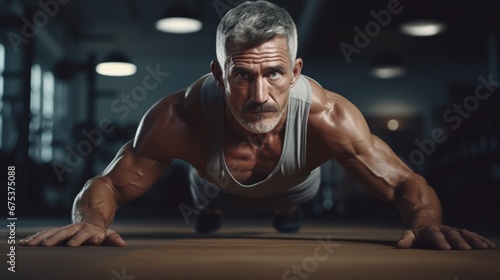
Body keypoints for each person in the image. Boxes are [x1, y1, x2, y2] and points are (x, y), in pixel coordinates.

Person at [20, 1, 495, 250]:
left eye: (273, 73)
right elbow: (108, 184)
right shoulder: (178, 117)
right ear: (219, 72)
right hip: (212, 187)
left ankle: (286, 215)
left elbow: (404, 184)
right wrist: (91, 222)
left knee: (289, 208)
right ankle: (212, 212)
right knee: (207, 206)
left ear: (296, 71)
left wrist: (427, 221)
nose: (259, 95)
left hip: (296, 187)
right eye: (242, 75)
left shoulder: (327, 115)